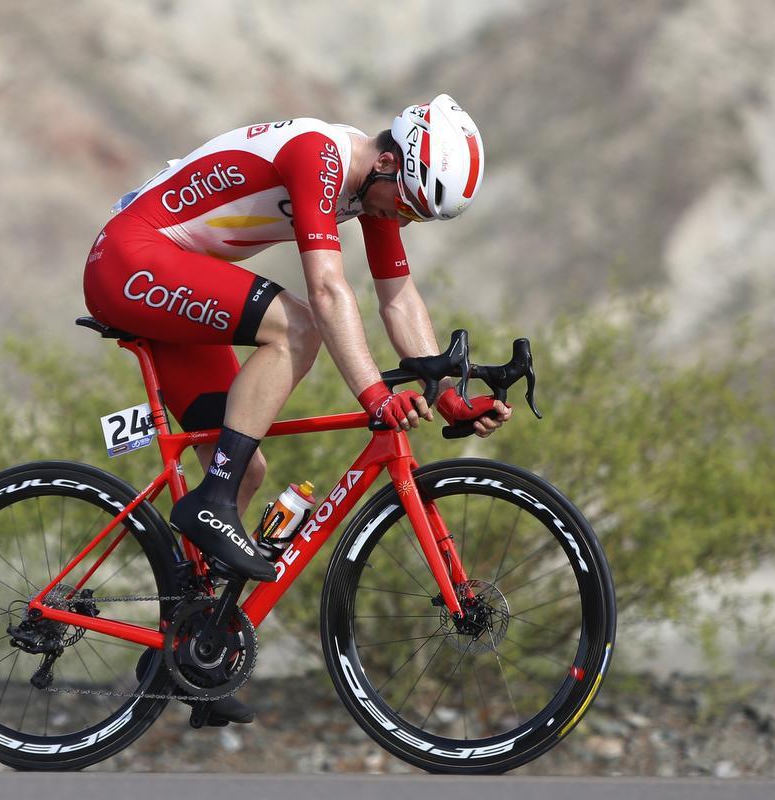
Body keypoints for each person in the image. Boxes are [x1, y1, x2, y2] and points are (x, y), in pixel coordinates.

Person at [84, 93, 512, 724]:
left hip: (174, 273)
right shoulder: (319, 155)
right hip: (131, 260)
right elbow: (329, 288)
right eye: (409, 207)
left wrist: (448, 396)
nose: (404, 220)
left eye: (417, 218)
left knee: (245, 468)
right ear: (393, 163)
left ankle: (186, 654)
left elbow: (397, 298)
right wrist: (373, 396)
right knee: (298, 328)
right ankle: (212, 502)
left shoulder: (373, 189)